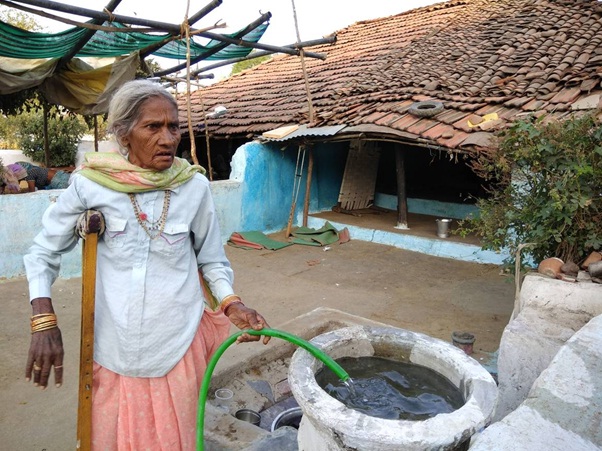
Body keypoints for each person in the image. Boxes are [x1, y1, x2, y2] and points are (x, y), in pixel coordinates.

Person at [23, 79, 270, 450]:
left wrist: (232, 302)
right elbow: (43, 251)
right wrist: (43, 319)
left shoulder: (193, 187)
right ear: (124, 134)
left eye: (173, 127)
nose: (168, 138)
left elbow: (211, 260)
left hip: (177, 344)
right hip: (112, 346)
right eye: (153, 127)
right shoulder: (91, 184)